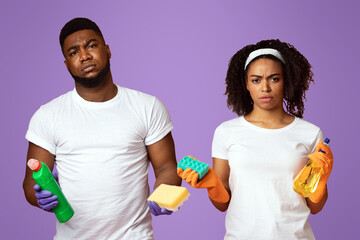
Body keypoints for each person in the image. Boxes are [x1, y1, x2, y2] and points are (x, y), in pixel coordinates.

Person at [22, 17, 181, 239]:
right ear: (67, 64)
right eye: (73, 52)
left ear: (107, 50)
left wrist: (165, 195)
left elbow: (166, 169)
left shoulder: (147, 107)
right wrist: (40, 196)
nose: (84, 56)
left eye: (91, 45)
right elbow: (31, 184)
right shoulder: (47, 116)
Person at [178, 39, 334, 239]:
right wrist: (212, 184)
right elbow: (222, 204)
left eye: (274, 79)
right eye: (256, 80)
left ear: (286, 81)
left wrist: (320, 182)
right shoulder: (226, 132)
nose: (265, 88)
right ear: (246, 84)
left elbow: (315, 207)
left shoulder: (310, 133)